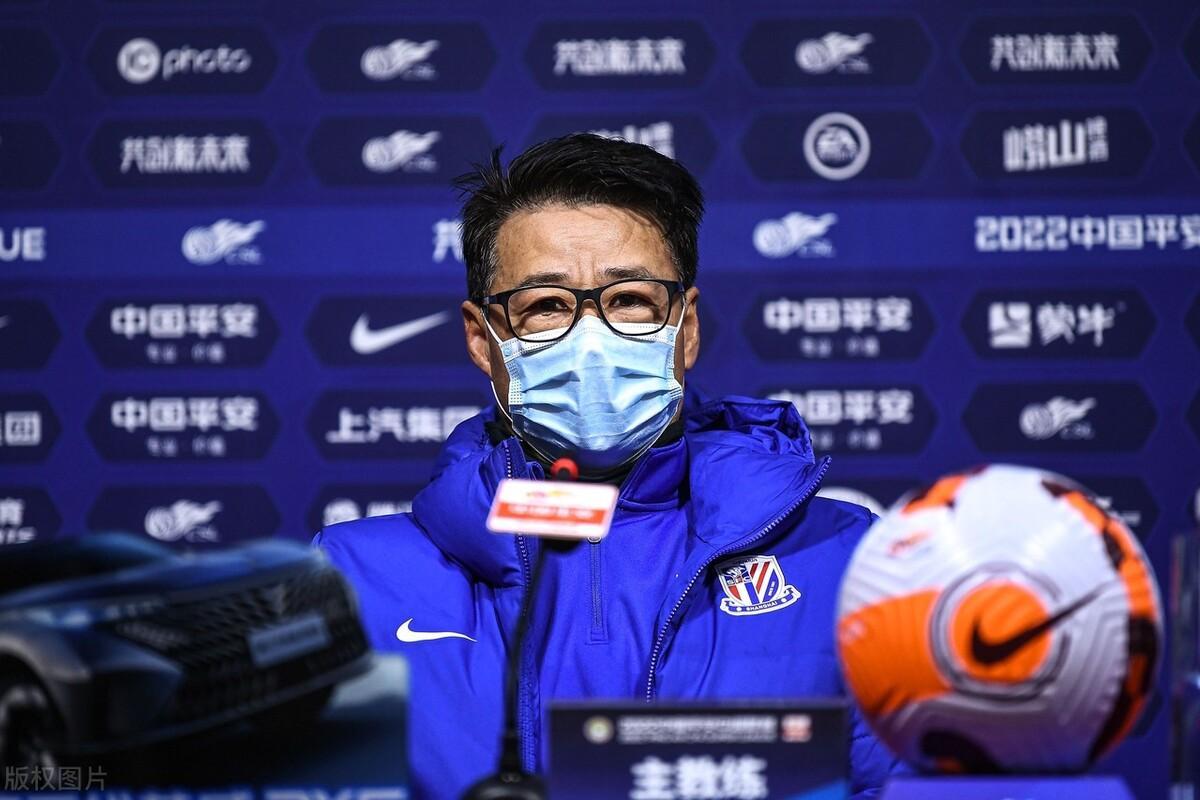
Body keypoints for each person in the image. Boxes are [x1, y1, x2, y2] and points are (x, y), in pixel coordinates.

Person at [313, 133, 903, 799]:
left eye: (629, 299)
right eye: (545, 305)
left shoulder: (845, 561)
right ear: (482, 339)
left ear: (686, 327)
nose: (591, 339)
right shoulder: (351, 580)